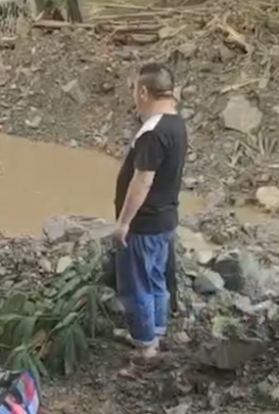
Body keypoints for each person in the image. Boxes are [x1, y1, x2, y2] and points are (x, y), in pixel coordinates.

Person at [112, 63, 187, 359]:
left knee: (137, 285)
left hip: (144, 223)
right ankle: (155, 330)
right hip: (165, 218)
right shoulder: (176, 123)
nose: (133, 95)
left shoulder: (153, 132)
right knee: (155, 277)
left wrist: (123, 223)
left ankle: (145, 346)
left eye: (134, 89)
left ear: (143, 91)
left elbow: (142, 180)